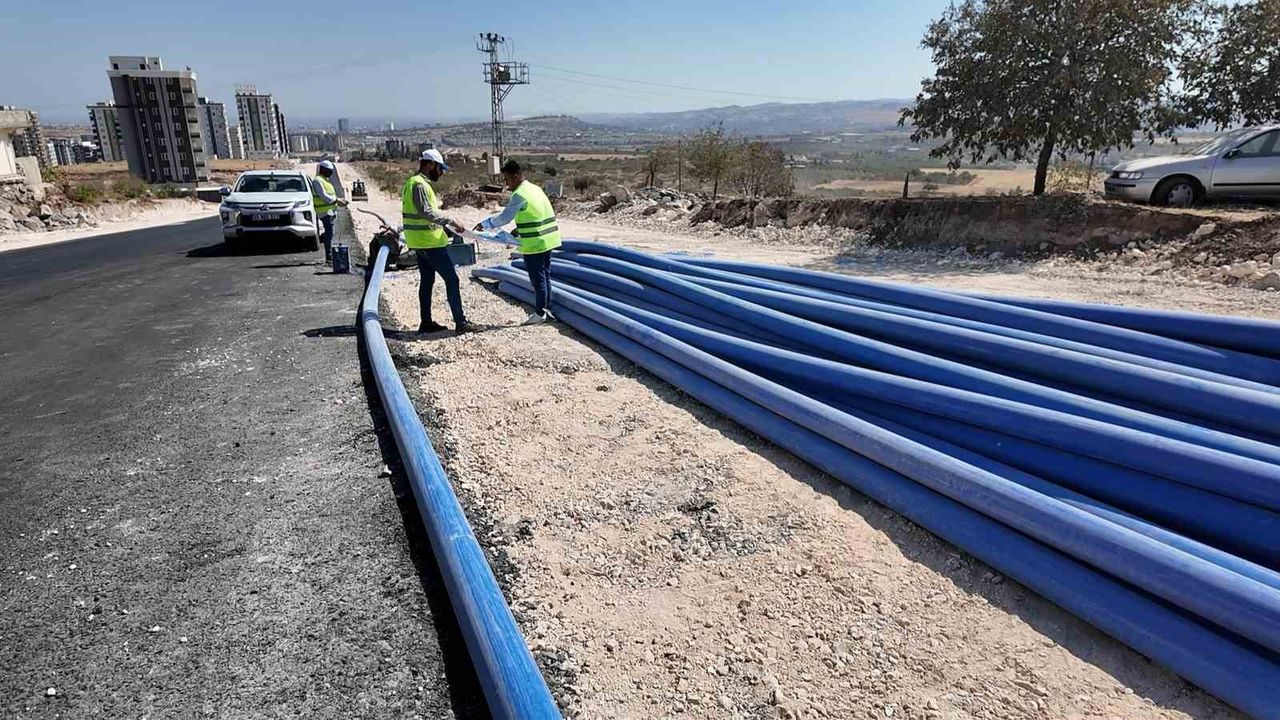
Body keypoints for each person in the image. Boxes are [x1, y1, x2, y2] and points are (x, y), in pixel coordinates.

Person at [474, 160, 562, 325]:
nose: (506, 184)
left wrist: (484, 224)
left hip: (535, 242)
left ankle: (540, 313)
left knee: (538, 280)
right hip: (548, 239)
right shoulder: (534, 188)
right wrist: (517, 230)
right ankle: (546, 309)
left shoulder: (519, 194)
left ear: (515, 176)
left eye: (507, 179)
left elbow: (504, 218)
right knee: (546, 276)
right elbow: (534, 213)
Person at [402, 149, 475, 334]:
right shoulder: (419, 185)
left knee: (427, 281)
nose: (441, 173)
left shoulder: (412, 183)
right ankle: (461, 322)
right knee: (452, 279)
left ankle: (426, 322)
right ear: (430, 164)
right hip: (430, 244)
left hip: (420, 243)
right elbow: (426, 212)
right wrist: (450, 220)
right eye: (440, 168)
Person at [311, 160, 346, 262]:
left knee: (330, 233)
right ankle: (329, 256)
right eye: (329, 171)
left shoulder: (325, 180)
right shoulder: (317, 181)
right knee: (329, 234)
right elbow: (323, 196)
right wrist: (337, 200)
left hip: (329, 211)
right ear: (323, 170)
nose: (331, 173)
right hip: (324, 212)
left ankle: (329, 254)